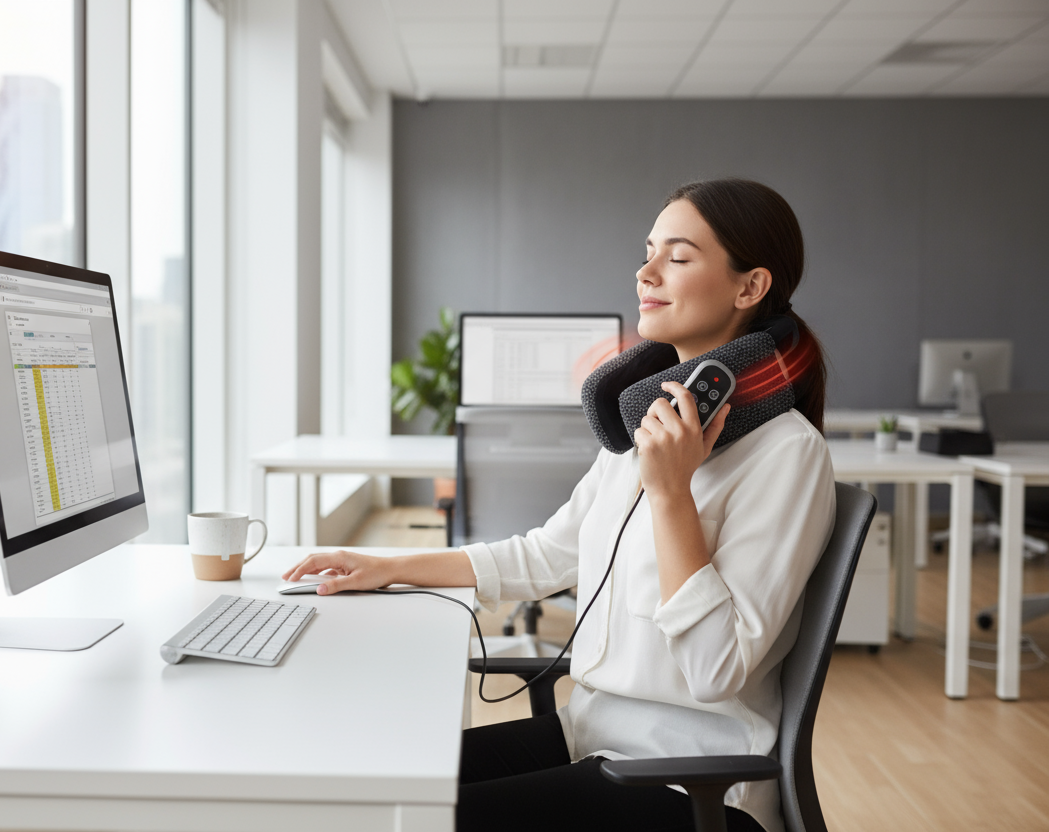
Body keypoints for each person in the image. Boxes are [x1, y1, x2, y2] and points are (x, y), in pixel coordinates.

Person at [283, 178, 836, 832]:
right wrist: (390, 567)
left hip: (687, 781)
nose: (646, 273)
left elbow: (716, 669)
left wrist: (671, 495)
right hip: (589, 735)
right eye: (648, 252)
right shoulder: (649, 420)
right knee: (369, 788)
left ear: (750, 287)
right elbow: (549, 554)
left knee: (411, 821)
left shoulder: (786, 454)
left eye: (678, 257)